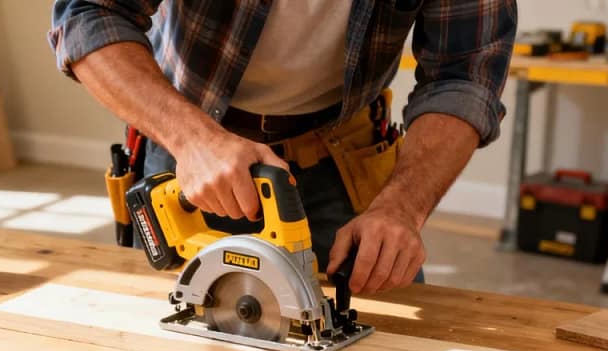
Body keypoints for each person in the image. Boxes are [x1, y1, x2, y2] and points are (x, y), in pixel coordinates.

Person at [49, 1, 516, 294]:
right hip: (190, 149)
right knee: (161, 338)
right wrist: (194, 140)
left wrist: (403, 208)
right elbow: (89, 13)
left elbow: (465, 75)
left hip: (344, 154)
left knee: (389, 331)